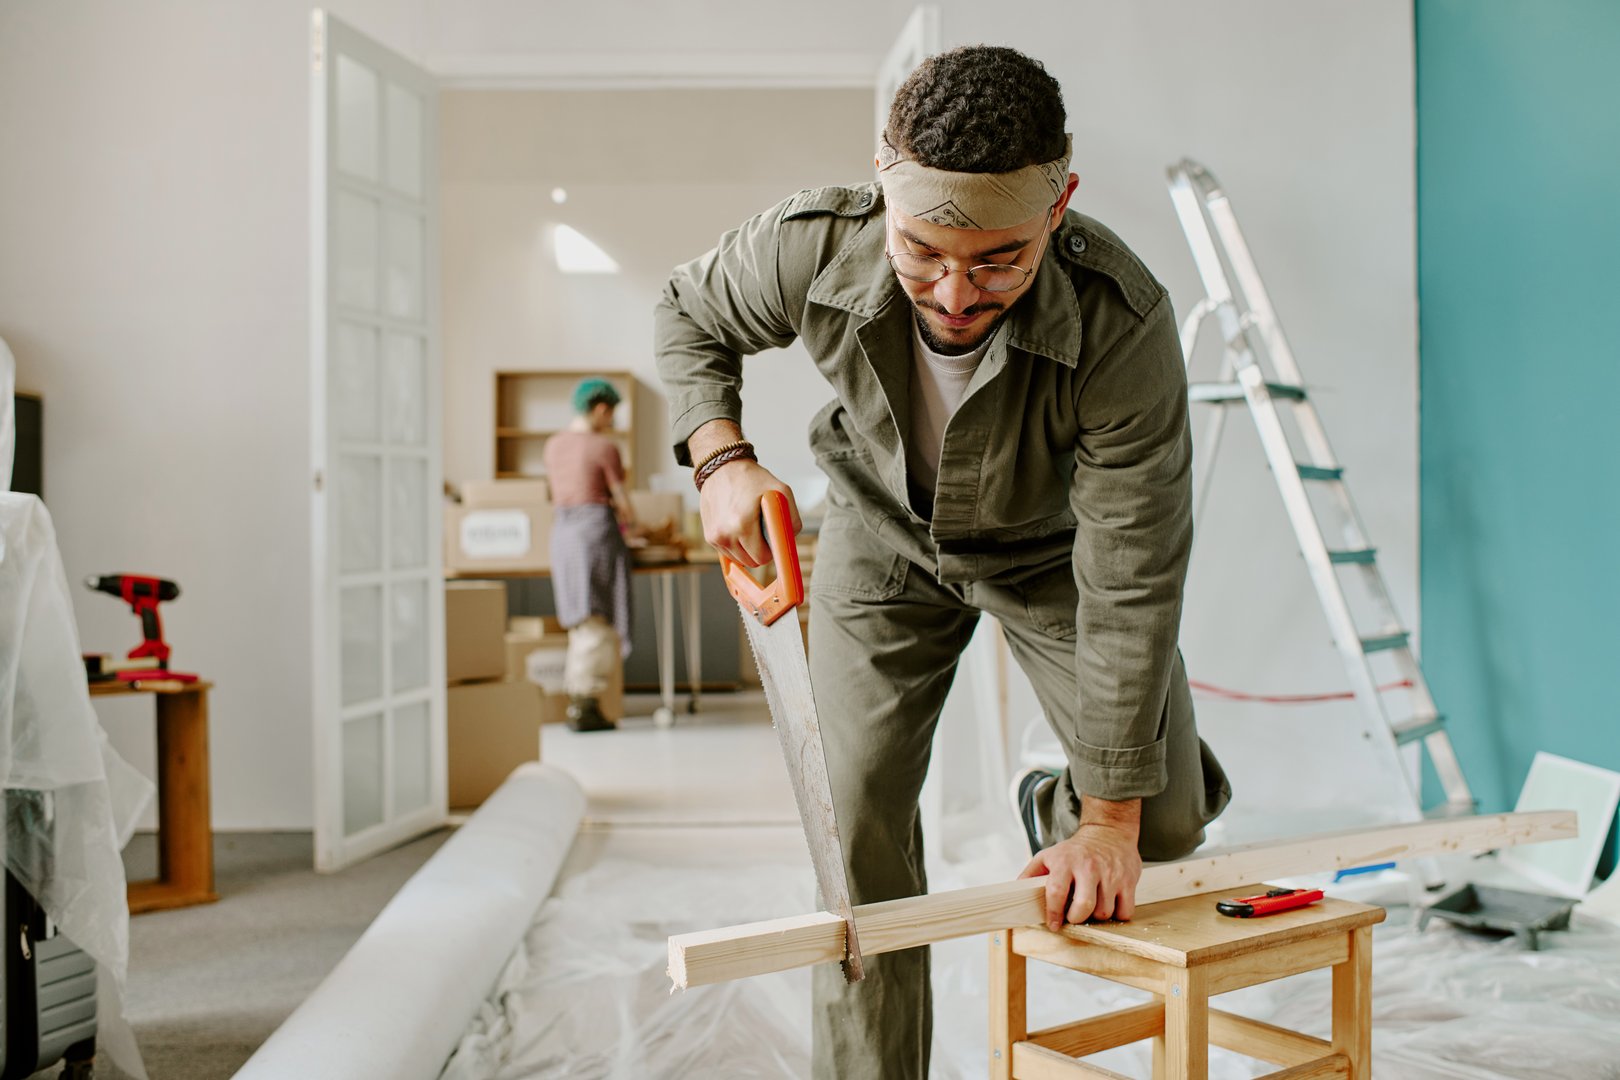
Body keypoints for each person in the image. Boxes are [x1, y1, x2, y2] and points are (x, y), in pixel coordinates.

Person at [655, 45, 1231, 1078]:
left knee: (1166, 820)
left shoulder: (1122, 324)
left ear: (1061, 207)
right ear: (884, 191)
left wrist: (1104, 820)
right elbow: (689, 312)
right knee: (857, 832)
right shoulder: (811, 247)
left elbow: (1132, 574)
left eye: (999, 259)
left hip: (1050, 558)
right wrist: (721, 459)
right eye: (921, 251)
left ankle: (1051, 803)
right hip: (879, 539)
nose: (955, 293)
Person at [542, 378, 638, 732]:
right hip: (594, 533)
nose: (611, 420)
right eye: (611, 413)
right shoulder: (604, 447)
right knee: (596, 618)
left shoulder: (552, 446)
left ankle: (579, 699)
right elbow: (623, 504)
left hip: (562, 535)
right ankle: (584, 703)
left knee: (579, 619)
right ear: (600, 409)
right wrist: (639, 526)